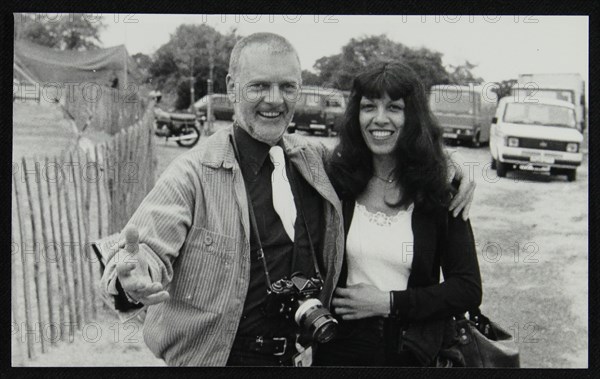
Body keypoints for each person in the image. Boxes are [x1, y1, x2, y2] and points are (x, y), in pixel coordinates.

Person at [98, 33, 475, 367]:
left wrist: (448, 164)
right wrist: (131, 279)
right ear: (232, 88)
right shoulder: (192, 173)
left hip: (304, 357)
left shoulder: (315, 163)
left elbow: (382, 156)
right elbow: (142, 251)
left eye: (287, 87)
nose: (274, 100)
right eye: (259, 86)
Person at [314, 61, 482, 367]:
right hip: (338, 349)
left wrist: (389, 303)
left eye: (394, 107)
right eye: (368, 107)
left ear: (413, 117)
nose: (379, 119)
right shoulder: (336, 180)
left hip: (410, 350)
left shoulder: (441, 188)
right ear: (356, 115)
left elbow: (467, 289)